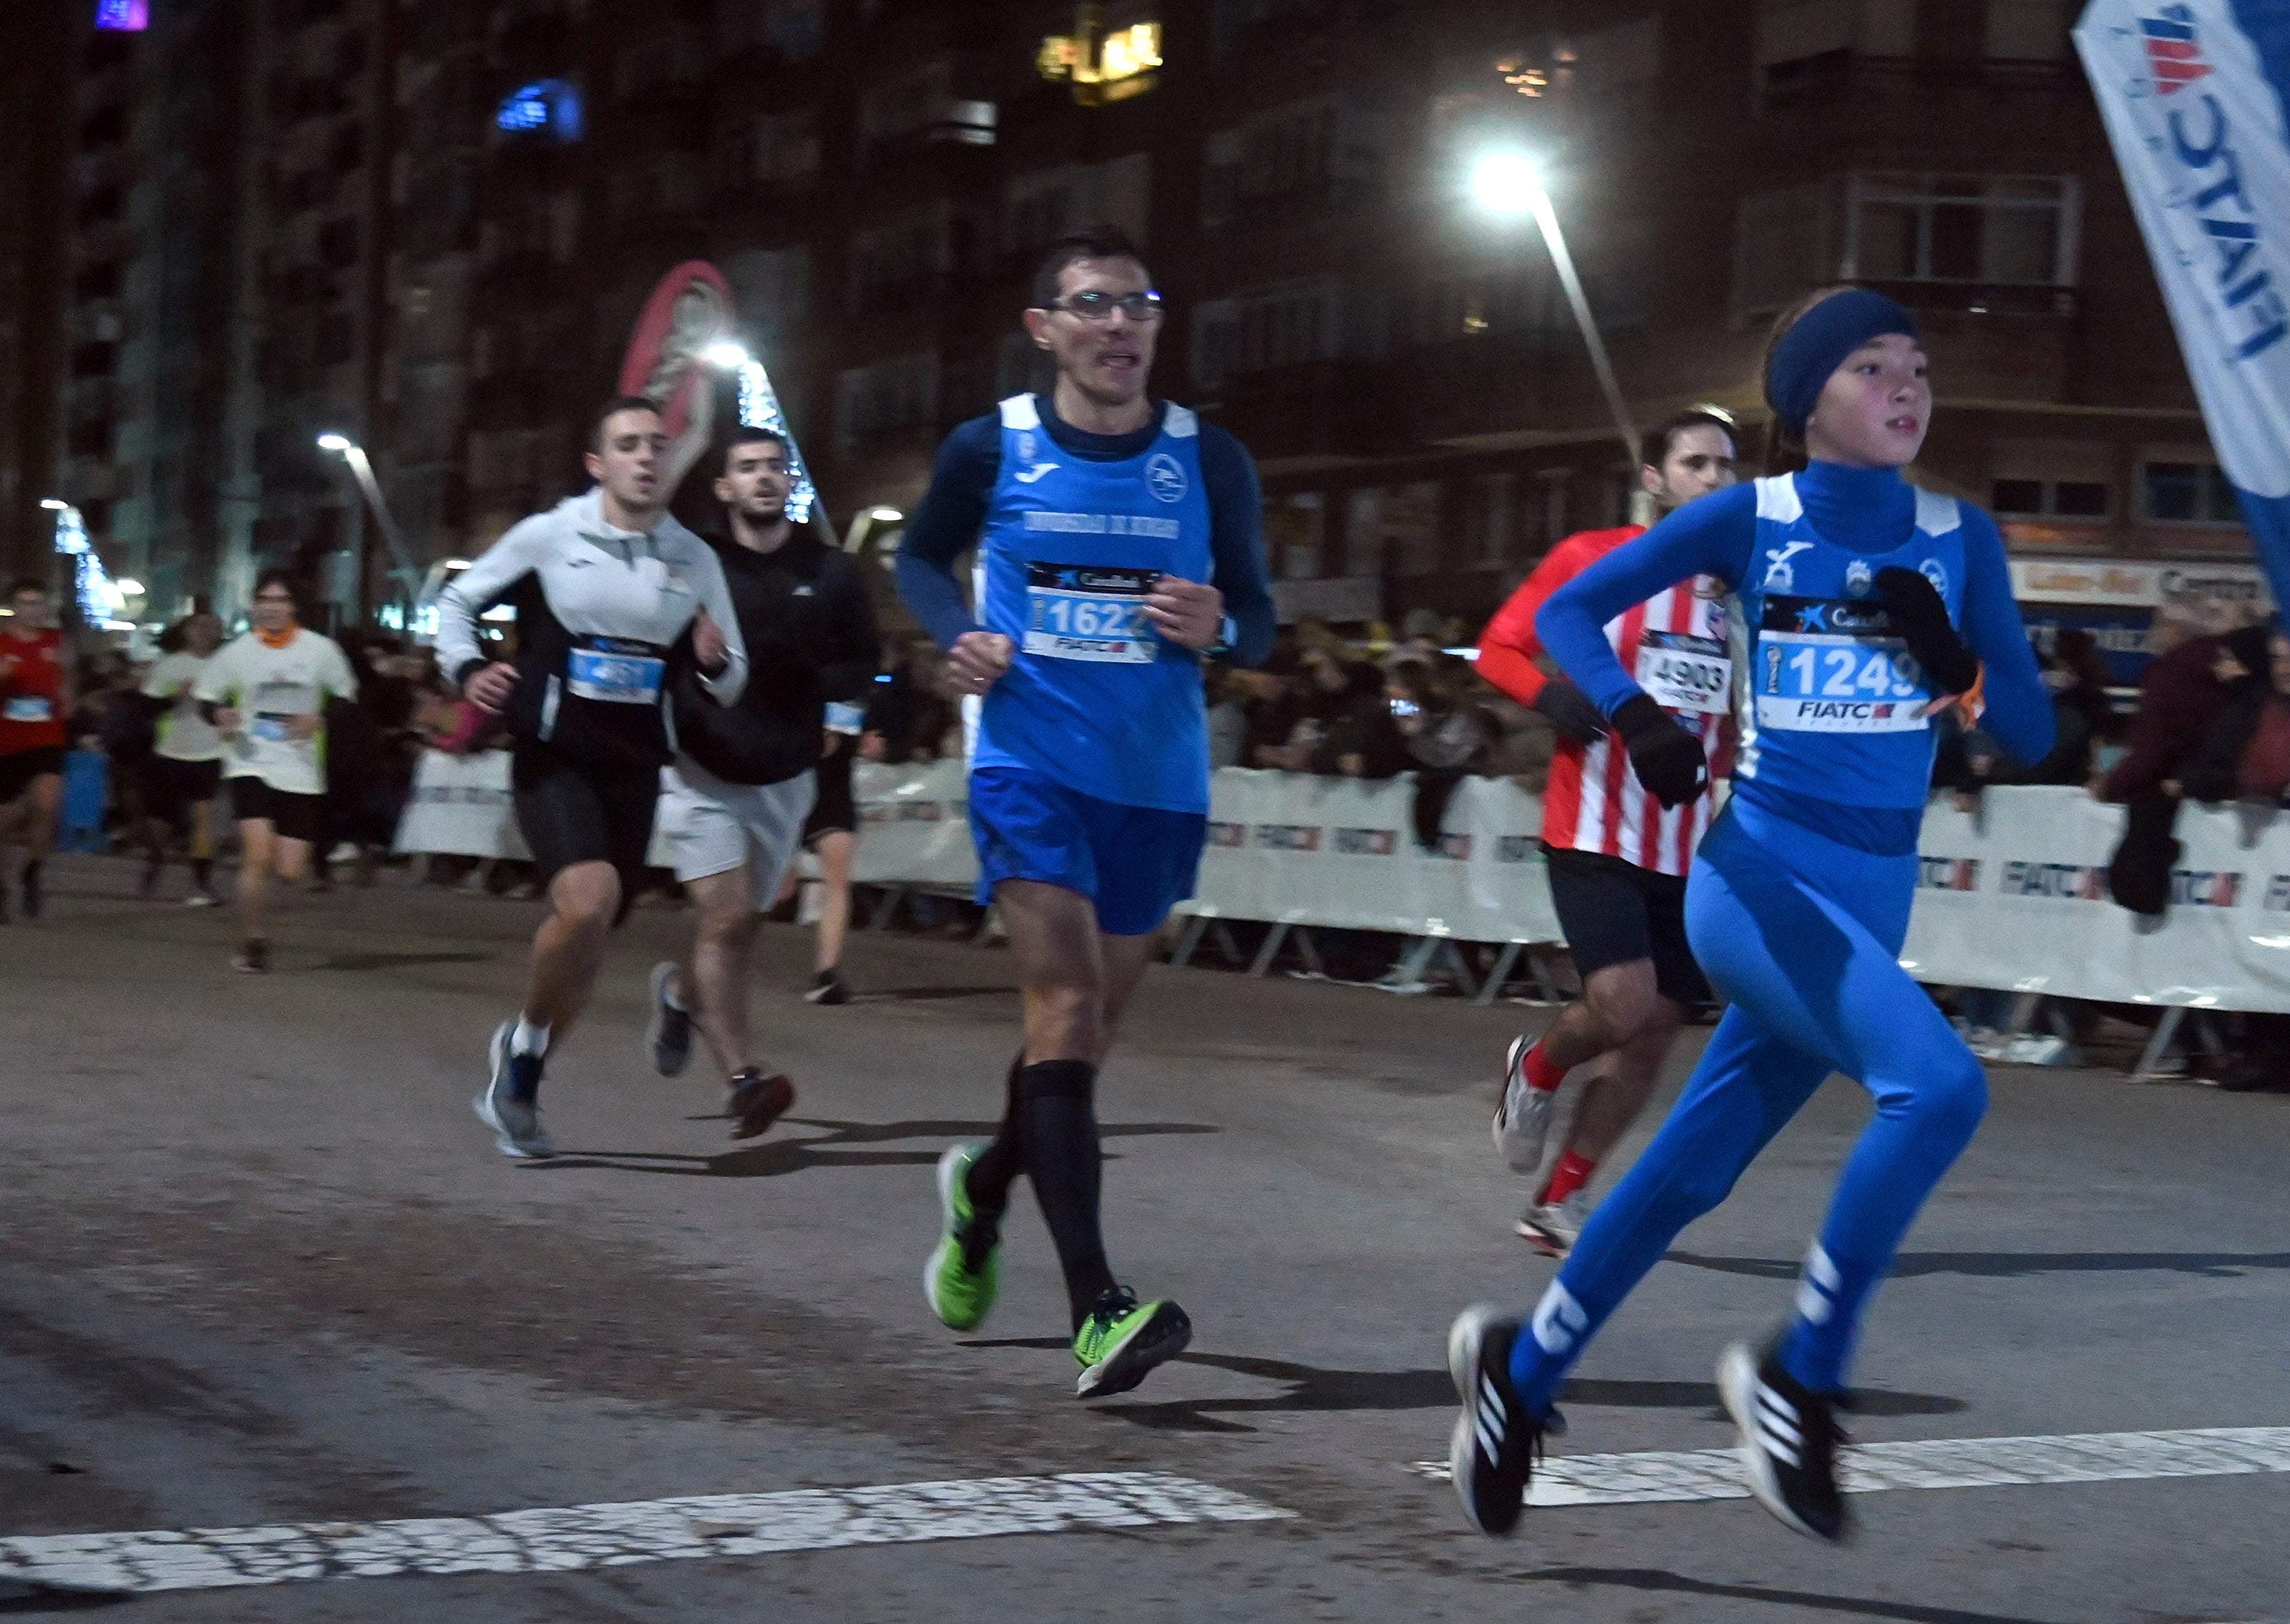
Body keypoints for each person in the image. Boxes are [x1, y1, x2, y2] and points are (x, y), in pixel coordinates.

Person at [1445, 286, 2053, 1544]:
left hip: (1868, 902)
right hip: (1756, 883)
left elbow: (2038, 732)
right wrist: (1636, 715)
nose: (1906, 386)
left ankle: (1523, 1373)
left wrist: (1957, 666)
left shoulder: (1960, 536)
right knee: (1940, 1090)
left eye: (1917, 366)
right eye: (1872, 366)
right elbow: (1566, 614)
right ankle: (1801, 1374)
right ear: (1808, 402)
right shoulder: (1749, 517)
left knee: (1687, 1171)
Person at [897, 226, 1276, 1399]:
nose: (1121, 325)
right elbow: (918, 560)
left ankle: (982, 1194)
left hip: (1156, 782)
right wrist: (952, 638)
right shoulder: (990, 446)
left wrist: (1226, 630)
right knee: (1060, 1005)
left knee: (1084, 1036)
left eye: (1141, 306)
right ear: (1046, 329)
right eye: (1095, 305)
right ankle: (1098, 1308)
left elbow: (1260, 614)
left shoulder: (1209, 459)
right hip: (1028, 764)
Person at [439, 396, 746, 1160]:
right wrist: (468, 666)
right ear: (597, 463)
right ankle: (523, 1057)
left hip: (637, 764)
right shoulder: (553, 534)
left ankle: (524, 1058)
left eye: (657, 445)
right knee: (591, 899)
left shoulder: (694, 555)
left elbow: (733, 674)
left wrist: (713, 663)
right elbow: (457, 600)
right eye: (629, 445)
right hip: (553, 752)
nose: (646, 457)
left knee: (589, 932)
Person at [1474, 409, 1740, 1255]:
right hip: (1592, 824)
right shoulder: (1591, 557)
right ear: (1655, 481)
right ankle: (1538, 1066)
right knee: (1620, 1002)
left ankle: (1558, 1200)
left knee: (1657, 1028)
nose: (1712, 478)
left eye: (1725, 465)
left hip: (1690, 840)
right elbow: (1497, 648)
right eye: (1694, 462)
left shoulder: (1739, 590)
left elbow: (1733, 716)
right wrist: (1549, 696)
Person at [645, 426, 876, 1130]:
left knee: (743, 923)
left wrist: (841, 707)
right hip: (703, 766)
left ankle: (681, 993)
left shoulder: (832, 570)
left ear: (791, 482)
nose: (764, 477)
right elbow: (648, 640)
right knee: (725, 914)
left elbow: (862, 655)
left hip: (788, 771)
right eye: (747, 468)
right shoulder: (694, 562)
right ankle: (744, 1078)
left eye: (775, 466)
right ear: (724, 487)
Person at [194, 572, 360, 971]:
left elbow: (347, 699)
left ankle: (258, 925)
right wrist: (220, 713)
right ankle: (253, 941)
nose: (272, 607)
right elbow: (205, 699)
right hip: (249, 761)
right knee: (258, 853)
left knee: (289, 868)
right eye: (264, 600)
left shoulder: (321, 650)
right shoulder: (236, 652)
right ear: (254, 606)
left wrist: (317, 719)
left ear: (294, 607)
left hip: (300, 769)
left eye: (281, 600)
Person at [140, 610, 228, 904]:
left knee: (204, 816)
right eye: (200, 626)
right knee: (160, 822)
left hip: (210, 752)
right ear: (187, 631)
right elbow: (146, 706)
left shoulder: (227, 666)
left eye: (212, 626)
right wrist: (174, 697)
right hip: (170, 751)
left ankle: (202, 885)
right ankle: (156, 855)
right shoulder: (169, 665)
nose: (206, 631)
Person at [0, 579, 72, 922]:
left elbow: (68, 681)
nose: (33, 609)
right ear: (14, 606)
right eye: (26, 603)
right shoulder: (2, 643)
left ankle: (33, 870)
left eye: (39, 603)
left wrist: (68, 702)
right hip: (7, 741)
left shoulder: (58, 642)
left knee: (47, 804)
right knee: (5, 820)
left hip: (47, 737)